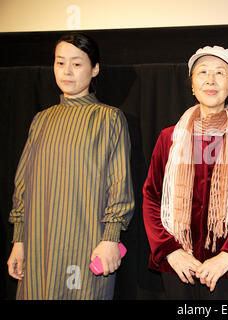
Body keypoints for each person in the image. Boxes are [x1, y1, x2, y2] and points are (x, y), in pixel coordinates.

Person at [7, 32, 135, 300]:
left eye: (77, 64)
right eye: (60, 62)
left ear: (95, 68)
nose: (67, 71)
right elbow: (23, 183)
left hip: (85, 244)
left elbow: (119, 182)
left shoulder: (109, 118)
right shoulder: (41, 120)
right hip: (38, 245)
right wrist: (19, 240)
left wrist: (111, 237)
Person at [143, 45, 228, 299]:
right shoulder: (169, 137)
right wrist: (171, 251)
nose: (211, 80)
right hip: (179, 266)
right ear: (192, 84)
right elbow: (151, 197)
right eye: (202, 72)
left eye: (220, 73)